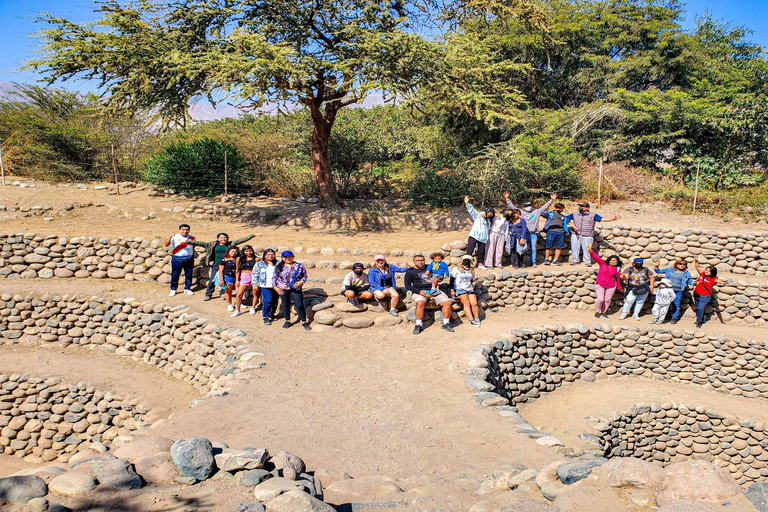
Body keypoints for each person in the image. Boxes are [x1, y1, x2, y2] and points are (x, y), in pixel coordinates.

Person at [189, 232, 255, 301]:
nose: (223, 239)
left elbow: (241, 240)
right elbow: (199, 243)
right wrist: (187, 241)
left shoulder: (230, 244)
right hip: (217, 264)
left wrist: (252, 235)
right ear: (218, 238)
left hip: (227, 264)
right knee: (212, 279)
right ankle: (208, 294)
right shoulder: (212, 244)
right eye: (221, 237)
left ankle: (223, 294)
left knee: (225, 280)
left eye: (225, 237)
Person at [405, 255, 454, 335]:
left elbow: (440, 275)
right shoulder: (410, 272)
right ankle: (418, 325)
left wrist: (438, 279)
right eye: (417, 260)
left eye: (422, 260)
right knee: (420, 303)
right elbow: (407, 285)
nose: (420, 262)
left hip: (434, 290)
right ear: (414, 261)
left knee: (447, 303)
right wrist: (419, 292)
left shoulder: (431, 267)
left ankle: (446, 323)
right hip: (420, 291)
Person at [505, 192, 557, 267]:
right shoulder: (521, 212)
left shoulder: (536, 211)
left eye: (529, 205)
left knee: (533, 247)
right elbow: (512, 207)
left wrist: (551, 200)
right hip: (523, 233)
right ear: (523, 207)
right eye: (526, 206)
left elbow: (545, 207)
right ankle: (521, 263)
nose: (528, 207)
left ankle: (533, 262)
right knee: (521, 248)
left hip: (533, 233)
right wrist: (507, 198)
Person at [273, 250, 310, 330]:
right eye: (285, 257)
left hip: (295, 288)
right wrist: (275, 287)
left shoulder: (299, 266)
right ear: (282, 258)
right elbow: (274, 278)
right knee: (285, 304)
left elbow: (305, 276)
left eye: (290, 256)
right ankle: (287, 321)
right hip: (282, 288)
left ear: (293, 257)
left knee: (299, 304)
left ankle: (304, 321)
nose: (288, 258)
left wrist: (301, 282)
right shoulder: (279, 266)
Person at [653, 258, 693, 324]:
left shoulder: (686, 273)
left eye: (684, 264)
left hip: (678, 291)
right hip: (667, 290)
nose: (682, 265)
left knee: (676, 304)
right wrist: (656, 266)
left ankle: (674, 317)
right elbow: (659, 271)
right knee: (665, 303)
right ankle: (664, 316)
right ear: (676, 264)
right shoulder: (670, 270)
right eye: (680, 264)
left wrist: (694, 283)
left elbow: (690, 281)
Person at [588, 245, 622, 317]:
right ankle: (597, 311)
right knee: (600, 299)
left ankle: (604, 311)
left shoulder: (618, 268)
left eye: (614, 260)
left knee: (607, 300)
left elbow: (618, 278)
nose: (612, 261)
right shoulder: (603, 264)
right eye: (611, 260)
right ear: (609, 260)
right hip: (600, 284)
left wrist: (619, 287)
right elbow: (596, 257)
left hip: (611, 286)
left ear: (617, 261)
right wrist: (591, 251)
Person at [165, 224, 196, 297]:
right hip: (177, 258)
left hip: (189, 258)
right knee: (175, 274)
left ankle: (187, 288)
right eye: (183, 229)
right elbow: (166, 244)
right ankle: (173, 289)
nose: (185, 231)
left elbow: (193, 246)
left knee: (189, 274)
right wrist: (170, 237)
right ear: (180, 230)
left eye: (187, 230)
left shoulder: (192, 238)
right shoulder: (175, 237)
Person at [451, 255, 481, 327]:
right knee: (466, 303)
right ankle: (471, 320)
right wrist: (452, 290)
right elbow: (451, 279)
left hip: (469, 288)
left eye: (468, 260)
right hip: (459, 288)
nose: (466, 261)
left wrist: (474, 280)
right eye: (465, 259)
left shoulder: (472, 270)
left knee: (474, 303)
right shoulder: (456, 269)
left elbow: (470, 280)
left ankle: (476, 318)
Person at [464, 195, 493, 270]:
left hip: (483, 238)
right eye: (489, 213)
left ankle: (480, 264)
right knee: (469, 251)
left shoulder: (489, 222)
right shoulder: (478, 216)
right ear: (485, 213)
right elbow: (472, 211)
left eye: (491, 214)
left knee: (481, 252)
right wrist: (467, 203)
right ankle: (466, 265)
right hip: (474, 236)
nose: (490, 215)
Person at [232, 245, 259, 317]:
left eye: (250, 251)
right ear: (243, 251)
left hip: (253, 276)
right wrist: (237, 280)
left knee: (255, 292)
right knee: (239, 294)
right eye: (246, 251)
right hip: (244, 276)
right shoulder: (239, 259)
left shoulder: (256, 259)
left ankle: (253, 307)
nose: (248, 252)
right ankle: (237, 310)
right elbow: (237, 270)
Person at [255, 248, 279, 325]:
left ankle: (271, 314)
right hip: (265, 285)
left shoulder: (278, 263)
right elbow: (255, 274)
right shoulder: (259, 264)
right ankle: (265, 316)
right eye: (268, 254)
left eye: (272, 254)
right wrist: (255, 284)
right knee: (268, 300)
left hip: (276, 285)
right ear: (264, 256)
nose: (270, 256)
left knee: (275, 301)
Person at [693, 256, 718, 328]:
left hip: (705, 296)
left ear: (712, 272)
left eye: (708, 271)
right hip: (697, 294)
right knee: (698, 308)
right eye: (706, 270)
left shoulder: (713, 278)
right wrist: (696, 261)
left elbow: (717, 281)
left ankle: (699, 322)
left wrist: (722, 282)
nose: (706, 271)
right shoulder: (703, 274)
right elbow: (698, 267)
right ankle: (703, 318)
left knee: (700, 308)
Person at [217, 246, 240, 312]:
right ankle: (229, 304)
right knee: (228, 292)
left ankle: (237, 303)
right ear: (228, 252)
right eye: (232, 251)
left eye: (236, 252)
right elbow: (221, 270)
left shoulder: (238, 259)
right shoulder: (224, 260)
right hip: (228, 277)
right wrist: (221, 280)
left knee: (238, 292)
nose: (234, 253)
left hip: (237, 277)